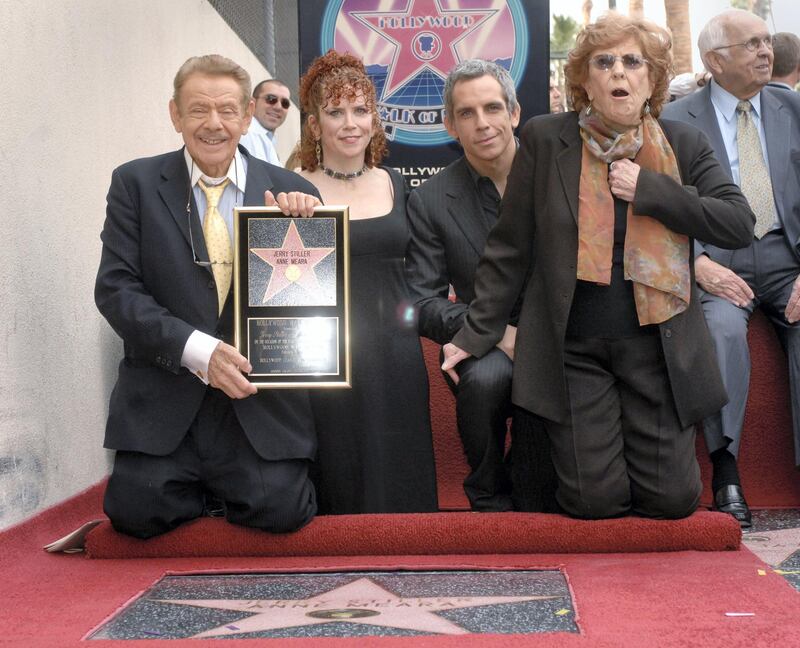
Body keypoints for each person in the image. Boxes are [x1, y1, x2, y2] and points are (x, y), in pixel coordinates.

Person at [442, 13, 754, 521]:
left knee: (673, 501)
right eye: (604, 62)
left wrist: (650, 190)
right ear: (584, 80)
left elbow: (737, 222)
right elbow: (509, 248)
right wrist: (474, 334)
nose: (618, 73)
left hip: (656, 347)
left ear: (651, 79)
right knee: (594, 502)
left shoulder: (682, 144)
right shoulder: (546, 141)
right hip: (575, 353)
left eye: (632, 62)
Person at [95, 54, 322, 539]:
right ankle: (207, 488)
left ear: (246, 117)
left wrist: (306, 228)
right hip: (167, 393)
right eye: (198, 110)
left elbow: (310, 307)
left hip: (255, 403)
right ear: (175, 114)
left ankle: (219, 489)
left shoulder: (292, 191)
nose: (213, 124)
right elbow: (116, 289)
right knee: (135, 513)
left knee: (282, 511)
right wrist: (200, 352)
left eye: (226, 111)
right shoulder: (133, 184)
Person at [663, 10, 800, 527]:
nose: (766, 52)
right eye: (751, 44)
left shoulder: (792, 107)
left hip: (788, 257)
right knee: (719, 331)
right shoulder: (676, 121)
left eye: (767, 42)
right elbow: (657, 207)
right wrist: (694, 264)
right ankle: (727, 473)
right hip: (715, 256)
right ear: (715, 61)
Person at [406, 59, 555, 512]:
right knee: (489, 378)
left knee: (544, 495)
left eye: (492, 108)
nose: (483, 123)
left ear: (514, 112)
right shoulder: (431, 200)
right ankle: (486, 491)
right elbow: (421, 303)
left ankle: (530, 476)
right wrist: (493, 334)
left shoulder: (558, 177)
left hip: (562, 336)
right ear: (449, 124)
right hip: (484, 343)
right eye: (467, 113)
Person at [296, 49, 438, 514]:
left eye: (360, 110)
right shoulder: (293, 188)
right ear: (315, 125)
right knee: (341, 460)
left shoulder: (395, 182)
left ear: (375, 119)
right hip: (327, 351)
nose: (350, 123)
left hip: (396, 346)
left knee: (400, 458)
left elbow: (422, 272)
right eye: (335, 112)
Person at [239, 78, 291, 165]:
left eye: (285, 103)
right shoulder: (245, 134)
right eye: (271, 99)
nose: (278, 107)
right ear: (252, 103)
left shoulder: (268, 139)